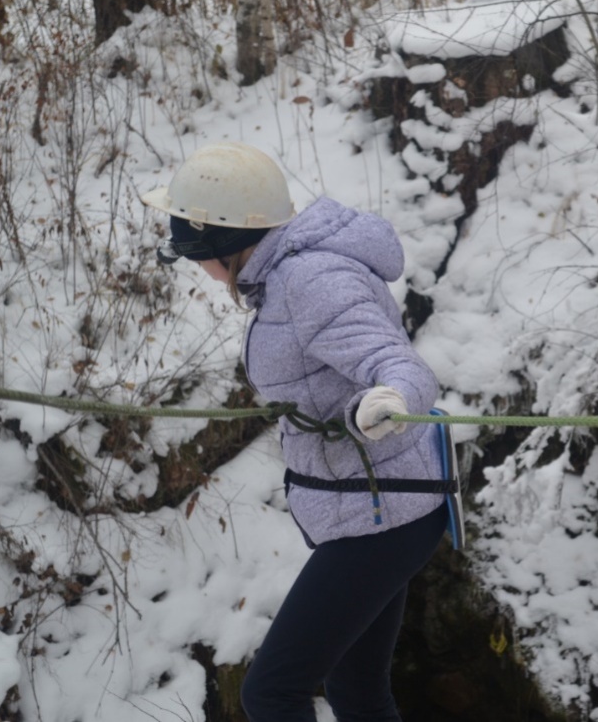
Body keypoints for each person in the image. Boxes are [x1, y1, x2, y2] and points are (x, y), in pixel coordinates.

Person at [142, 141, 450, 722]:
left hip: (382, 514)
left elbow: (403, 368)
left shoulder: (309, 281)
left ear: (221, 240)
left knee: (271, 693)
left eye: (189, 249)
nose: (191, 265)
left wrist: (388, 397)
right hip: (374, 506)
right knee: (356, 688)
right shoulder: (282, 276)